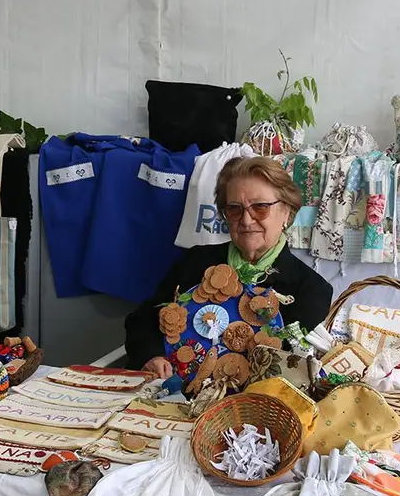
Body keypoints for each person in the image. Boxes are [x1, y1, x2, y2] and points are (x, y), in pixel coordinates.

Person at [124, 155, 333, 376]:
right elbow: (143, 320)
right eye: (235, 209)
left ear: (287, 212)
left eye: (260, 207)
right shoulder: (196, 261)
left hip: (253, 404)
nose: (246, 220)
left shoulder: (312, 291)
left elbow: (288, 368)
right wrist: (152, 356)